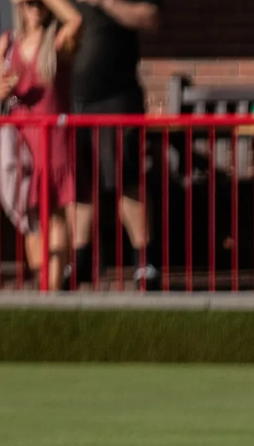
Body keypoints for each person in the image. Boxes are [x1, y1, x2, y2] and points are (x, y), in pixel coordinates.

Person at [70, 0, 160, 286]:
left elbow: (151, 17)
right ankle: (80, 260)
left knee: (127, 178)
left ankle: (144, 262)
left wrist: (106, 3)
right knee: (81, 184)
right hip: (74, 99)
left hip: (117, 97)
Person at [0, 0, 81, 290]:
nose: (35, 7)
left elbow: (76, 20)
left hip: (54, 139)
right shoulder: (8, 42)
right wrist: (0, 91)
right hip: (22, 141)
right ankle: (41, 287)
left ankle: (52, 292)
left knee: (55, 214)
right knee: (29, 217)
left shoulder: (58, 40)